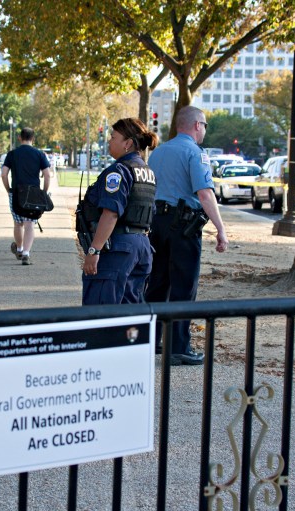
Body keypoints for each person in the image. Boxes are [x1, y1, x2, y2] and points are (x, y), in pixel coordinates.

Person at [145, 106, 229, 366]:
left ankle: (151, 341)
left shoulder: (157, 153)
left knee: (157, 285)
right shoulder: (196, 153)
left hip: (156, 223)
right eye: (204, 125)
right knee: (184, 287)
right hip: (184, 226)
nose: (205, 129)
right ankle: (179, 347)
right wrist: (221, 229)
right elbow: (204, 194)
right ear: (195, 125)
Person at [77, 118, 158, 305]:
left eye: (113, 137)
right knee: (129, 317)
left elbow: (111, 212)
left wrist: (94, 250)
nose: (109, 141)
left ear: (127, 143)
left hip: (117, 247)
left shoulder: (119, 171)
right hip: (142, 247)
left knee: (100, 312)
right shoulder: (147, 171)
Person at [1, 128, 51, 266]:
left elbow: (4, 174)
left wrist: (8, 190)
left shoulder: (12, 154)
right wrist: (44, 192)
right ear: (33, 138)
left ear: (19, 138)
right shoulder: (39, 154)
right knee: (30, 224)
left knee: (18, 223)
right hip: (33, 193)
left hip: (16, 192)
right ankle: (26, 253)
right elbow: (47, 175)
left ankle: (19, 248)